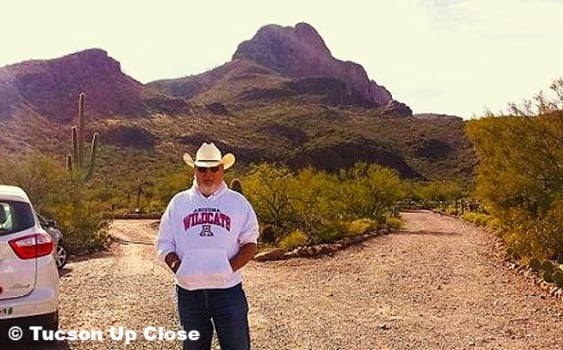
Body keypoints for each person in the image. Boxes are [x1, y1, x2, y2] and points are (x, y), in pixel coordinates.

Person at [155, 142, 259, 350]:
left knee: (237, 346)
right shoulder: (179, 202)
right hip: (189, 293)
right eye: (202, 169)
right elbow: (164, 242)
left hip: (228, 291)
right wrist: (178, 267)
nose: (208, 174)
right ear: (195, 170)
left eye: (214, 168)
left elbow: (250, 243)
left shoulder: (238, 202)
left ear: (222, 170)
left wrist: (228, 268)